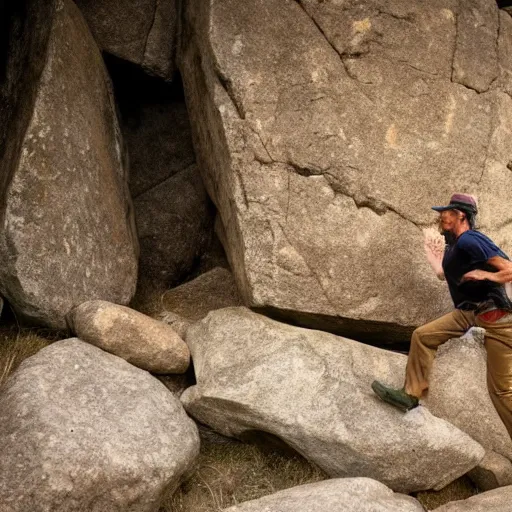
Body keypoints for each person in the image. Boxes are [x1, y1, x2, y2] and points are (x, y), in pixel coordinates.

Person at [372, 193, 512, 437]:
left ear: (460, 215)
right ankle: (410, 395)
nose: (440, 216)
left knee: (501, 392)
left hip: (497, 319)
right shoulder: (455, 246)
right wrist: (434, 260)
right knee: (423, 336)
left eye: (445, 212)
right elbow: (445, 275)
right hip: (469, 313)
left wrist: (485, 275)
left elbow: (508, 270)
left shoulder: (471, 239)